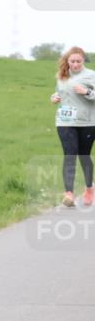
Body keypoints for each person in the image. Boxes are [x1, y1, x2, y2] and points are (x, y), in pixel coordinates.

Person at [49, 46, 95, 207]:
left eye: (78, 61)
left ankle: (89, 189)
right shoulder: (62, 76)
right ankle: (69, 193)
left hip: (87, 122)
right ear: (67, 61)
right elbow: (58, 93)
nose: (75, 64)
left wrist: (87, 92)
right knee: (69, 154)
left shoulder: (91, 76)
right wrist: (54, 97)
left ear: (83, 61)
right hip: (65, 121)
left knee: (84, 155)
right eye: (72, 61)